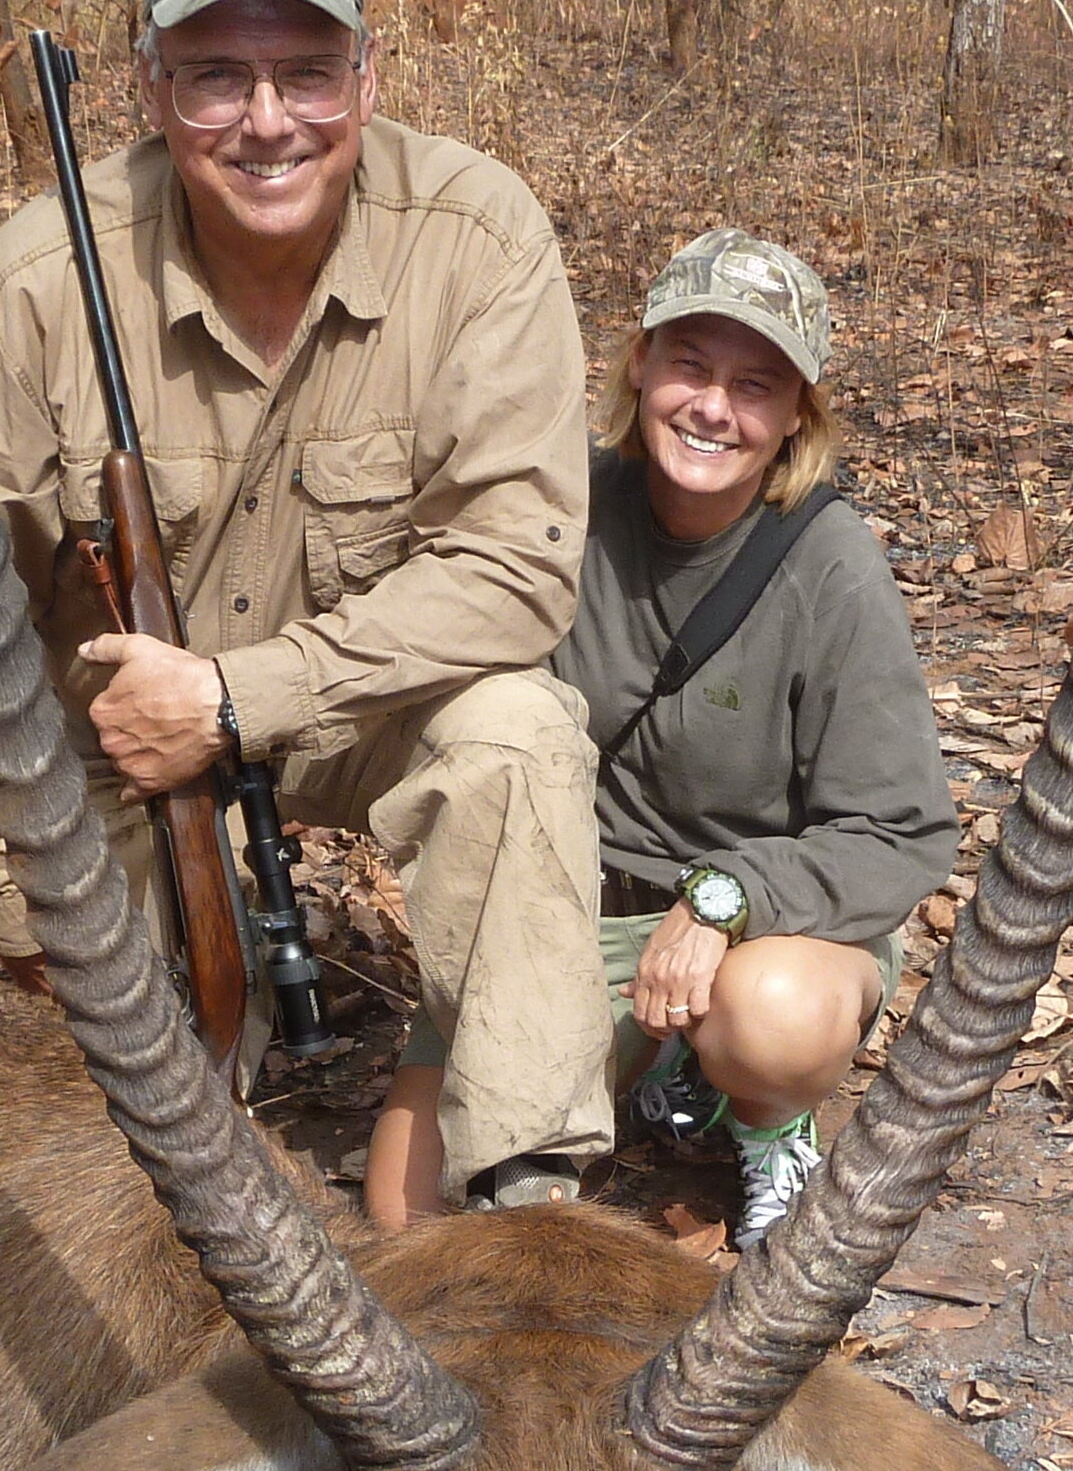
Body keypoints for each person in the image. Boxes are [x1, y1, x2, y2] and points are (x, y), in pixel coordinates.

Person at [0, 0, 611, 1209]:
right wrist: (17, 918)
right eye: (217, 75)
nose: (268, 120)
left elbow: (516, 568)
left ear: (367, 76)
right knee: (130, 1158)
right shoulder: (38, 277)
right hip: (120, 757)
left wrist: (231, 699)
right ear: (150, 88)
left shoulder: (479, 235)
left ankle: (529, 1203)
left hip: (353, 709)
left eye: (306, 74)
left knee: (516, 735)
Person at [367, 228, 955, 1245]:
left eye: (755, 384)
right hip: (559, 924)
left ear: (794, 416)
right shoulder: (563, 511)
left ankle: (768, 1124)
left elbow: (901, 831)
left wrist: (723, 898)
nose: (713, 407)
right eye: (689, 363)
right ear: (638, 364)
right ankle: (641, 1079)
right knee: (406, 1215)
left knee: (769, 1015)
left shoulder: (828, 563)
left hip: (763, 930)